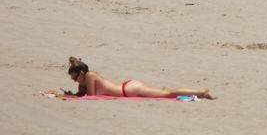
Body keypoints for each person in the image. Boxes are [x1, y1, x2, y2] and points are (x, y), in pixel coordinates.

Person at [63, 57, 212, 99]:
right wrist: (77, 92)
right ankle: (200, 92)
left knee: (169, 93)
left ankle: (201, 92)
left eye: (75, 78)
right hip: (128, 87)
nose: (75, 81)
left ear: (81, 74)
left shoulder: (89, 75)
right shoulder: (90, 76)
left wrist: (79, 92)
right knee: (166, 92)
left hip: (129, 90)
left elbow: (91, 95)